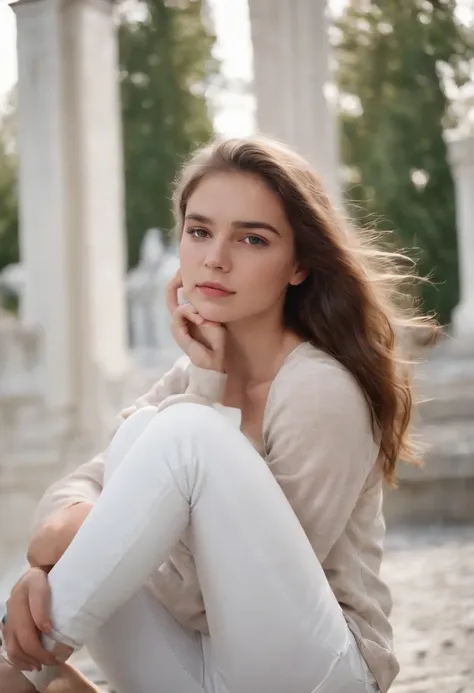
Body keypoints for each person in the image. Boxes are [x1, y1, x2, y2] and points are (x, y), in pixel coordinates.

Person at [0, 136, 424, 693]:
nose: (215, 258)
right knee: (145, 438)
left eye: (252, 238)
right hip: (203, 668)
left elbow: (214, 600)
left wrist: (78, 548)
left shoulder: (322, 391)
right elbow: (72, 496)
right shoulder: (187, 378)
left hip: (318, 668)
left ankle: (25, 658)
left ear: (298, 264)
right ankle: (29, 663)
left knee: (175, 436)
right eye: (199, 231)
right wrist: (45, 567)